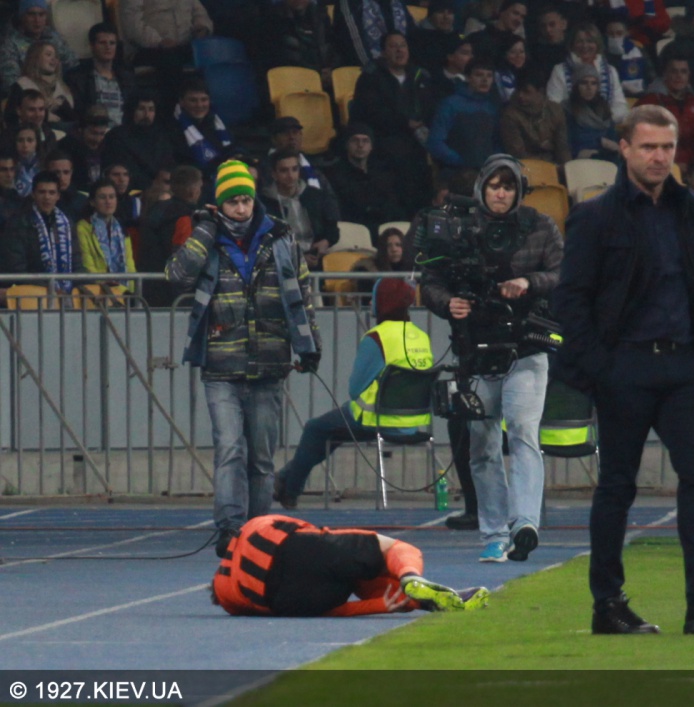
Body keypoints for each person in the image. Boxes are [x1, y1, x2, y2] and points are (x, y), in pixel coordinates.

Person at [551, 104, 694, 635]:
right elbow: (571, 300)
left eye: (667, 147)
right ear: (624, 149)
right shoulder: (595, 217)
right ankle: (608, 605)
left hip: (685, 367)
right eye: (648, 147)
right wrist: (601, 368)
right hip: (623, 367)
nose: (659, 157)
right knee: (617, 486)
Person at [164, 160, 322, 557]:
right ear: (219, 203)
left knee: (262, 458)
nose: (240, 208)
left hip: (269, 363)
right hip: (220, 365)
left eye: (245, 201)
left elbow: (303, 294)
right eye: (232, 202)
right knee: (230, 449)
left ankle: (258, 531)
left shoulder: (280, 237)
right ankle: (230, 529)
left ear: (254, 201)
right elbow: (176, 275)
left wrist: (310, 345)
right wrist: (204, 230)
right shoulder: (207, 237)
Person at [421, 154, 563, 563]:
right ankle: (495, 534)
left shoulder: (541, 225)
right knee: (481, 446)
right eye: (494, 185)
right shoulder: (457, 227)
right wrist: (448, 303)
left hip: (526, 348)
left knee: (522, 432)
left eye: (509, 186)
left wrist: (528, 282)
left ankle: (524, 524)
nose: (501, 193)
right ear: (482, 188)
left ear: (519, 191)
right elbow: (431, 280)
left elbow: (563, 273)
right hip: (475, 350)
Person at [273, 278, 429, 508]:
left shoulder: (377, 338)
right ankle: (283, 479)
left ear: (382, 302)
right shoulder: (421, 336)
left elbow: (355, 389)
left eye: (374, 298)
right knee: (333, 431)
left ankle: (290, 490)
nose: (371, 302)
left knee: (316, 428)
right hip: (412, 422)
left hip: (377, 419)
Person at [211, 514, 489, 617]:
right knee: (395, 549)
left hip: (291, 600)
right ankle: (410, 576)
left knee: (355, 577)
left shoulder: (230, 598)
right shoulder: (246, 533)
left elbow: (328, 611)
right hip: (296, 549)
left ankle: (425, 601)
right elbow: (301, 534)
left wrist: (380, 606)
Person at [351, 32, 434, 214]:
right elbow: (369, 111)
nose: (399, 50)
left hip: (417, 142)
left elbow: (430, 108)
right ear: (383, 52)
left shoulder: (420, 76)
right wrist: (404, 123)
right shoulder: (371, 77)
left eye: (403, 45)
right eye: (393, 46)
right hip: (384, 141)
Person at [1, 170, 82, 293]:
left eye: (52, 192)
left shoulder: (67, 223)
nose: (47, 197)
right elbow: (17, 269)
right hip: (31, 294)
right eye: (42, 192)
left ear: (58, 196)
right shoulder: (17, 223)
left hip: (64, 293)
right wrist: (50, 289)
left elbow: (76, 263)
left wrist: (92, 283)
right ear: (33, 194)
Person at [119, 0, 213, 105]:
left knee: (210, 52)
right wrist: (159, 41)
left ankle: (207, 108)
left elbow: (199, 12)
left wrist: (202, 27)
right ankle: (173, 108)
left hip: (182, 46)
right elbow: (131, 23)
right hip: (146, 47)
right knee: (171, 59)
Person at [260, 148, 340, 270]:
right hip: (281, 263)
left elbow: (333, 229)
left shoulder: (316, 196)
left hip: (316, 259)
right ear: (274, 174)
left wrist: (326, 241)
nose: (290, 176)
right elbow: (265, 242)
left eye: (294, 169)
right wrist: (297, 258)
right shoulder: (264, 203)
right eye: (284, 171)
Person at [327, 122, 407, 242]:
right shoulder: (335, 175)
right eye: (355, 140)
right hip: (353, 234)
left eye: (365, 141)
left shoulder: (383, 174)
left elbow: (393, 206)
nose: (360, 145)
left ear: (371, 146)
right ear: (347, 144)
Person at [137, 164, 202, 307]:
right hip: (176, 296)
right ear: (192, 191)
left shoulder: (154, 210)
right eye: (199, 187)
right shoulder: (184, 218)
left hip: (149, 288)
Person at [427, 57, 502, 172]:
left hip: (487, 172)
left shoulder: (492, 107)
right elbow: (435, 142)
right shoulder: (451, 104)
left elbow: (497, 142)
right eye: (479, 75)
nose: (485, 80)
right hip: (456, 172)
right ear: (467, 77)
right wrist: (460, 161)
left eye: (489, 76)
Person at [636, 53, 694, 172]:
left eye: (683, 72)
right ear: (665, 74)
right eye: (674, 71)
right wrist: (673, 165)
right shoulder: (650, 103)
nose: (679, 76)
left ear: (689, 75)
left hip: (690, 170)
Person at [546, 23, 628, 124]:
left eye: (590, 41)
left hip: (605, 126)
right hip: (571, 127)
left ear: (597, 44)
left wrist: (601, 122)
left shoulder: (611, 71)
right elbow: (553, 105)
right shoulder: (559, 70)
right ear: (572, 44)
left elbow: (620, 105)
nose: (585, 46)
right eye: (580, 41)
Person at [63, 23, 134, 127]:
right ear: (92, 46)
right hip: (94, 130)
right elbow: (78, 112)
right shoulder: (77, 77)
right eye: (102, 43)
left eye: (112, 43)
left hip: (123, 131)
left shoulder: (127, 77)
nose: (108, 47)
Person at [0, 0, 78, 95]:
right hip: (28, 97)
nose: (37, 20)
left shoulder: (54, 37)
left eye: (41, 14)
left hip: (57, 94)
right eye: (31, 14)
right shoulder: (10, 43)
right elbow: (10, 82)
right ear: (22, 17)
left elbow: (73, 66)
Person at [101, 93, 173, 192]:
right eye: (141, 109)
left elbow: (168, 166)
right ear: (132, 110)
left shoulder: (162, 137)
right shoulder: (116, 136)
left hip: (159, 191)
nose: (147, 114)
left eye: (151, 109)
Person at [499, 66, 571, 165]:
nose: (520, 95)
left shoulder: (555, 110)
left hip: (554, 164)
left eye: (526, 92)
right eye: (518, 90)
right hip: (526, 166)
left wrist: (567, 168)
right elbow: (517, 153)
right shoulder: (510, 114)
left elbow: (562, 147)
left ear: (540, 92)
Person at [168, 78, 236, 181]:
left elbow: (234, 147)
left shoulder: (217, 123)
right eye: (193, 100)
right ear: (181, 102)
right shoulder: (172, 129)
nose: (199, 105)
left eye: (204, 100)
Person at [76, 177, 136, 289]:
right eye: (102, 197)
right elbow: (87, 264)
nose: (108, 201)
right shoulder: (83, 227)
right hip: (98, 291)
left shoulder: (121, 227)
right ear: (92, 202)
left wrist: (131, 291)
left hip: (125, 292)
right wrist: (106, 286)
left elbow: (130, 264)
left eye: (112, 197)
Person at [4, 40, 75, 128]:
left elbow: (73, 118)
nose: (54, 59)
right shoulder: (22, 85)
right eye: (48, 55)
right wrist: (45, 116)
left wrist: (62, 104)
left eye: (56, 56)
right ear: (35, 58)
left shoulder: (63, 86)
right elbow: (11, 118)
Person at [333, 0, 415, 68]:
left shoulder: (398, 2)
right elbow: (354, 42)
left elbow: (412, 36)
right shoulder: (350, 3)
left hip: (398, 69)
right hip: (364, 70)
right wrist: (375, 70)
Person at [563, 64, 618, 161]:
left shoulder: (604, 107)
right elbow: (571, 140)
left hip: (606, 157)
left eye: (593, 83)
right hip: (579, 159)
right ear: (576, 86)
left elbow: (612, 137)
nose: (589, 87)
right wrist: (601, 141)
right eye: (584, 83)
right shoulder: (567, 109)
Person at [408, 0, 460, 75]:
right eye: (440, 12)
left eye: (450, 12)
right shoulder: (416, 38)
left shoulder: (456, 38)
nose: (446, 17)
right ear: (430, 15)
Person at [45, 149, 87, 223]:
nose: (61, 178)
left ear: (71, 173)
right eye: (56, 173)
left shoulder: (83, 202)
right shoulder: (39, 200)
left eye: (66, 172)